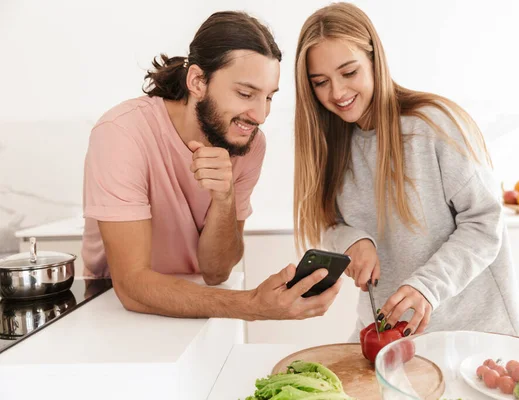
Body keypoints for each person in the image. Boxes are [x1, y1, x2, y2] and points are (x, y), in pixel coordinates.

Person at [81, 10, 341, 320]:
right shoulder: (122, 133)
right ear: (198, 81)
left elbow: (217, 272)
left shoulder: (249, 144)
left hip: (196, 300)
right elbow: (132, 284)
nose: (260, 114)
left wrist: (225, 197)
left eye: (268, 97)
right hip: (112, 310)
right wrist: (252, 306)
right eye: (246, 93)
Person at [293, 2, 519, 340]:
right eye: (321, 82)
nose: (338, 93)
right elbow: (329, 223)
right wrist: (353, 240)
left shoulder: (433, 126)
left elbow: (485, 221)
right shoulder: (330, 142)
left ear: (375, 60)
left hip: (472, 336)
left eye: (349, 72)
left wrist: (426, 287)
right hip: (386, 335)